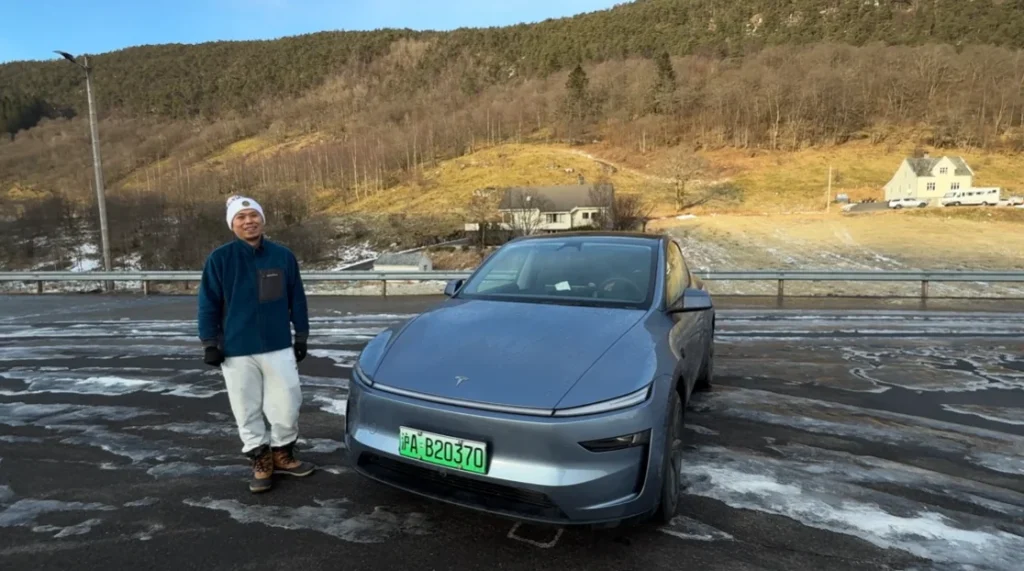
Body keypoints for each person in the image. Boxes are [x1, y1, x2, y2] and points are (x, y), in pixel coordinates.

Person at [197, 194, 315, 493]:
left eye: (253, 215)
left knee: (288, 402)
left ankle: (283, 454)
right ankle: (260, 460)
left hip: (278, 345)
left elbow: (296, 298)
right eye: (241, 217)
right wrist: (209, 342)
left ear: (262, 219)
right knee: (245, 407)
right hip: (236, 348)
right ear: (232, 224)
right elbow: (208, 303)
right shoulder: (220, 259)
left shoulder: (282, 256)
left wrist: (300, 335)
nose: (248, 221)